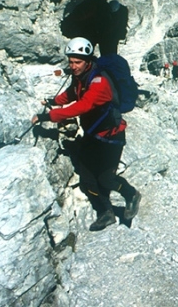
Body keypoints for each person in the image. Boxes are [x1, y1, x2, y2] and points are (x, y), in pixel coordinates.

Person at [32, 37, 141, 231]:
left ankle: (131, 194)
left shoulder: (99, 82)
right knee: (88, 180)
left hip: (111, 138)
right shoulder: (82, 77)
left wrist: (48, 116)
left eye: (77, 62)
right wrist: (54, 100)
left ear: (88, 61)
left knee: (106, 179)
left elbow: (82, 106)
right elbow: (72, 94)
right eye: (71, 62)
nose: (73, 66)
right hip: (93, 134)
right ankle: (106, 213)